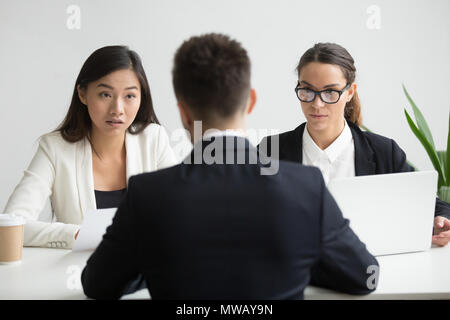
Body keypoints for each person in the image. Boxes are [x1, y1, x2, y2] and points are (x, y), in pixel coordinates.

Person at [81, 33, 378, 300]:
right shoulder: (306, 186)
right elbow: (365, 276)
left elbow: (97, 284)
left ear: (183, 111)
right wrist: (300, 261)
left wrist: (153, 261)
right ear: (250, 102)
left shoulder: (147, 194)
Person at [258, 42, 450, 247]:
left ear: (350, 92)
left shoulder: (384, 152)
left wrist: (442, 219)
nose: (317, 104)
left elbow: (432, 205)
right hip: (294, 271)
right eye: (307, 90)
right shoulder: (271, 151)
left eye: (330, 92)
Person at [2, 45, 177, 249]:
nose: (117, 110)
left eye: (129, 96)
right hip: (78, 276)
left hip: (145, 275)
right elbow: (11, 226)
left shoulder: (153, 139)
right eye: (105, 94)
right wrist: (79, 234)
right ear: (83, 94)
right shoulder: (55, 148)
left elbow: (179, 214)